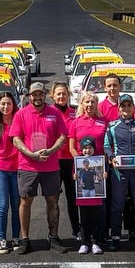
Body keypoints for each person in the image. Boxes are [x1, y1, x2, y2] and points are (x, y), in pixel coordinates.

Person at [9, 82, 69, 254]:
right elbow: (15, 139)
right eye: (34, 94)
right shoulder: (21, 114)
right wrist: (30, 154)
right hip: (28, 165)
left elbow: (63, 136)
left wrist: (51, 151)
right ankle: (25, 239)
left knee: (52, 201)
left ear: (45, 95)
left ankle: (54, 237)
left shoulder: (55, 113)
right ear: (29, 96)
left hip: (50, 166)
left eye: (40, 94)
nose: (37, 97)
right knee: (25, 202)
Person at [104, 94, 135, 251]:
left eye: (129, 105)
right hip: (119, 172)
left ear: (134, 107)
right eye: (123, 106)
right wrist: (111, 157)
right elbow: (106, 145)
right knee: (117, 205)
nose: (126, 108)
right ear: (119, 108)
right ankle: (115, 237)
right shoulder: (112, 126)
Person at [0, 92, 20, 254]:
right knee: (2, 206)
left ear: (13, 105)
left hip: (18, 170)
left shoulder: (19, 122)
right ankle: (2, 240)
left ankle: (15, 238)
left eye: (8, 103)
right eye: (3, 104)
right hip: (0, 170)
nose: (5, 107)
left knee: (16, 206)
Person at [50, 82, 80, 240]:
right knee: (53, 199)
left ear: (68, 95)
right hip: (54, 161)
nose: (61, 97)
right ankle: (53, 234)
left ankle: (77, 230)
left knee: (73, 197)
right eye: (58, 94)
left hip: (71, 161)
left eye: (64, 94)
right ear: (53, 96)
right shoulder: (49, 112)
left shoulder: (74, 113)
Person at [73, 137, 106, 255]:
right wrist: (75, 177)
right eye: (85, 148)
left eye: (90, 148)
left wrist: (104, 175)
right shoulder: (78, 165)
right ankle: (84, 243)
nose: (87, 150)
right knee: (84, 220)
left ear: (94, 149)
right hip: (83, 196)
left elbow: (99, 177)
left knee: (96, 219)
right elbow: (75, 177)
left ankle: (95, 243)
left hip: (94, 194)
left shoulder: (96, 164)